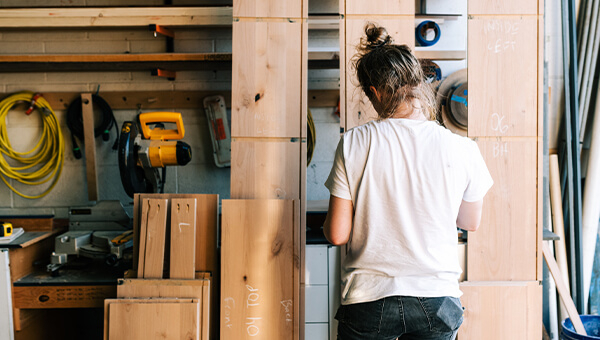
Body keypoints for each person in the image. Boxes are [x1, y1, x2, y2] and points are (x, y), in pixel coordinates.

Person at [323, 23, 494, 340]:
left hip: (368, 300)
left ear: (374, 93)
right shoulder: (462, 147)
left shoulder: (354, 143)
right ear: (419, 84)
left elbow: (337, 234)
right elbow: (469, 221)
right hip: (437, 299)